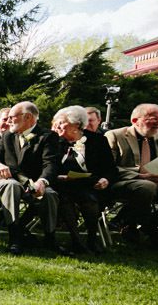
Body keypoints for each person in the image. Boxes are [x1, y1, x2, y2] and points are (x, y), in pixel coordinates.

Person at [0, 101, 62, 255]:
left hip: (34, 181)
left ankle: (49, 238)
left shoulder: (48, 136)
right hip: (10, 180)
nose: (8, 121)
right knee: (11, 186)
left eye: (12, 117)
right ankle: (14, 237)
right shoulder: (7, 136)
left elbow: (50, 164)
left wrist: (42, 182)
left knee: (50, 195)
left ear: (28, 117)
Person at [52, 106, 116, 254]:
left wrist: (106, 179)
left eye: (62, 123)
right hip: (62, 184)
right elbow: (48, 165)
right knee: (65, 200)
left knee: (90, 200)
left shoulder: (97, 140)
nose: (58, 126)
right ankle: (77, 241)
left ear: (76, 125)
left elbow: (111, 168)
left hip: (90, 184)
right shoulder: (54, 140)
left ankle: (92, 239)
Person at [105, 103, 158, 247]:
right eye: (152, 118)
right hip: (123, 182)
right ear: (135, 120)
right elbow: (108, 168)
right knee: (146, 187)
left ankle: (157, 227)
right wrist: (141, 176)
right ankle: (137, 225)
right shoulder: (115, 136)